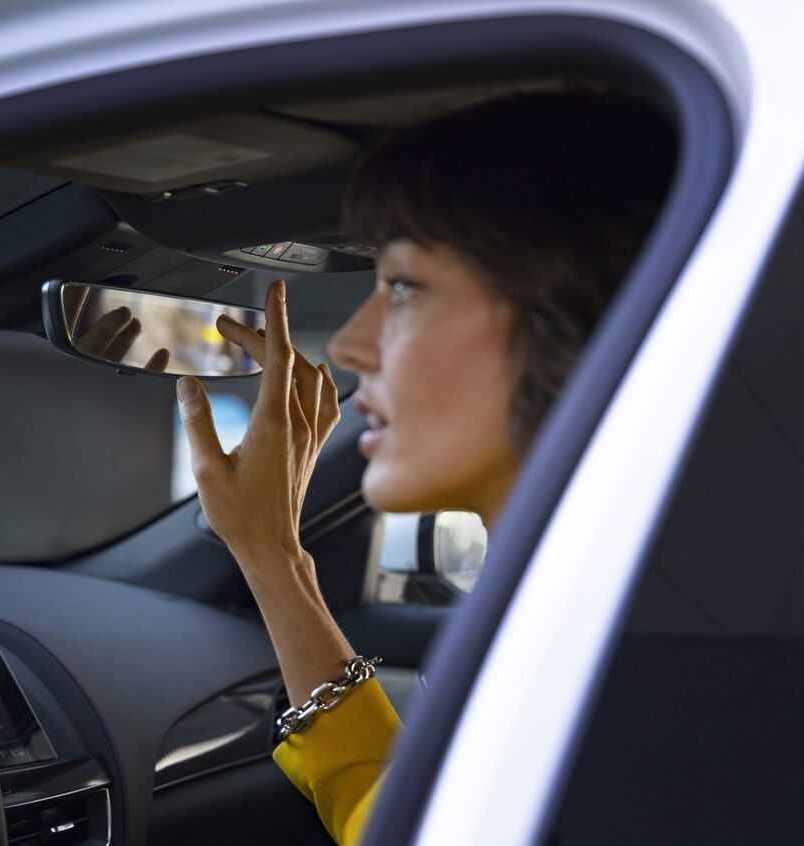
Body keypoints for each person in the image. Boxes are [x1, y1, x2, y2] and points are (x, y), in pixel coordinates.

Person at [174, 89, 676, 844]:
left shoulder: (610, 681)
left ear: (574, 322)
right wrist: (270, 552)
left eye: (404, 288)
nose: (350, 346)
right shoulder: (589, 619)